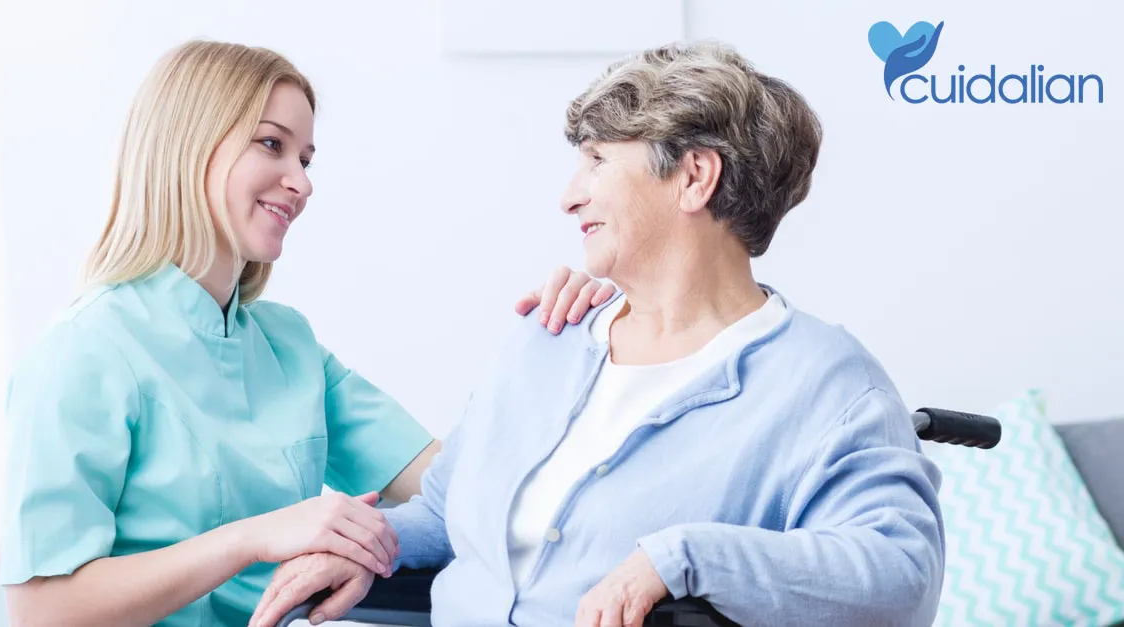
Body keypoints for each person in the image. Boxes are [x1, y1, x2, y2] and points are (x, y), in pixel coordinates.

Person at [251, 41, 946, 627]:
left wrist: (683, 556)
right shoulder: (548, 338)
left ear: (695, 177)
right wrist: (367, 544)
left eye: (597, 161)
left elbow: (900, 571)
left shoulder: (827, 385)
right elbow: (447, 510)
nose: (569, 194)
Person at [0, 40, 614, 627]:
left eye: (306, 158)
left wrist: (563, 343)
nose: (302, 180)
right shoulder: (84, 352)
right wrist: (252, 537)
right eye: (272, 144)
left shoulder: (289, 347)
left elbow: (465, 490)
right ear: (188, 148)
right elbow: (41, 609)